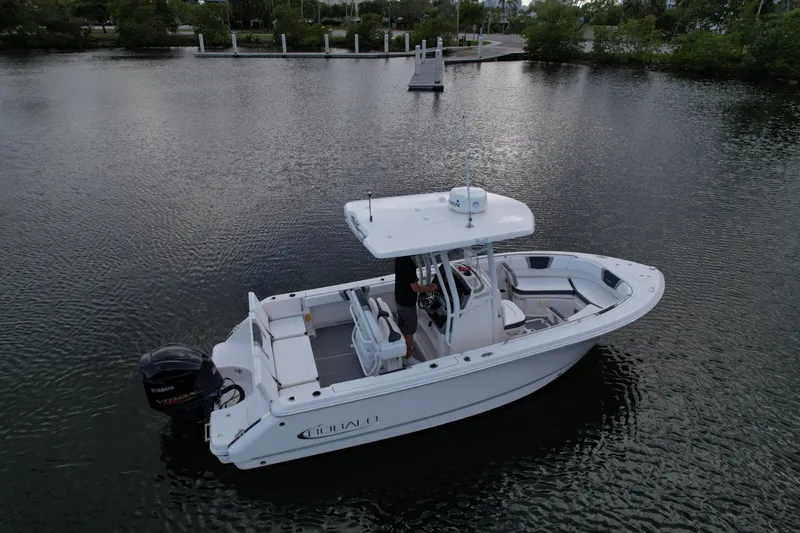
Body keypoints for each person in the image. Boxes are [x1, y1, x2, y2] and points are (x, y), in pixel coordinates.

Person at [394, 256, 438, 359]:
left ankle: (400, 348)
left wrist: (425, 287)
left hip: (399, 298)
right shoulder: (410, 265)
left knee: (402, 324)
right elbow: (416, 288)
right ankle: (407, 356)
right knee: (410, 331)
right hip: (408, 303)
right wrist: (430, 288)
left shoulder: (399, 259)